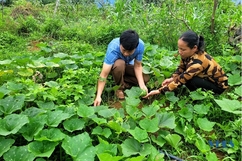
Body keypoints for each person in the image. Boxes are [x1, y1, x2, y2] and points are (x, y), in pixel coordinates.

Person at [144, 30, 228, 98]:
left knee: (190, 80)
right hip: (206, 79)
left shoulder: (198, 62)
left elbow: (182, 79)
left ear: (194, 48)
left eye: (183, 49)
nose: (180, 52)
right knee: (186, 77)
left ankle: (199, 98)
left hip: (218, 87)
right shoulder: (188, 54)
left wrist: (160, 91)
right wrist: (172, 79)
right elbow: (181, 68)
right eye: (179, 48)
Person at [94, 29, 150, 106]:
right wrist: (98, 96)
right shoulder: (113, 48)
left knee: (146, 78)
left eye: (129, 52)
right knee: (120, 64)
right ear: (120, 44)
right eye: (123, 50)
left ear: (135, 48)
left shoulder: (140, 46)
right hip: (116, 67)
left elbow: (137, 66)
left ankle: (123, 82)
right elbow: (103, 75)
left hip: (128, 65)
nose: (126, 54)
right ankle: (119, 88)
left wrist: (142, 85)